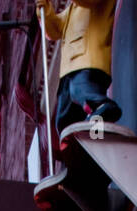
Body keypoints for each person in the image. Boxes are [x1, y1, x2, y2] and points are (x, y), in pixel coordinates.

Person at [36, 0, 121, 133]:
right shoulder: (72, 10)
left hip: (88, 62)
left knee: (83, 92)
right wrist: (44, 6)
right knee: (64, 119)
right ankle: (88, 139)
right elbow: (53, 30)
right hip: (68, 71)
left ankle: (104, 106)